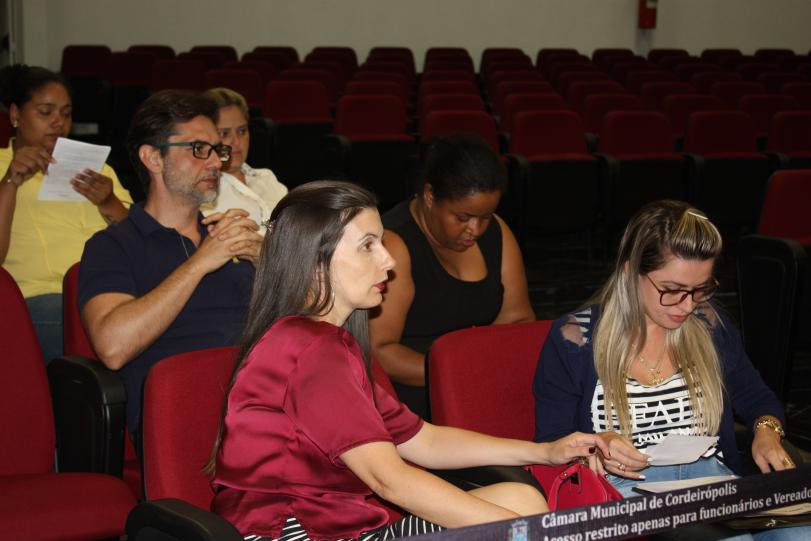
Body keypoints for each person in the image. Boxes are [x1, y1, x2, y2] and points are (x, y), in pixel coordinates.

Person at [209, 180, 607, 541]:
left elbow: (423, 440)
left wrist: (544, 452)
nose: (388, 260)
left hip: (334, 527)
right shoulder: (312, 350)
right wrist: (524, 534)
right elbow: (390, 481)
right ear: (314, 260)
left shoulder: (319, 343)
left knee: (521, 499)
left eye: (381, 242)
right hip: (294, 533)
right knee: (519, 516)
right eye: (368, 245)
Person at [533, 200, 809, 541]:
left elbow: (757, 398)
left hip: (712, 480)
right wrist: (598, 445)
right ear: (630, 272)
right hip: (626, 491)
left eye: (700, 289)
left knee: (801, 533)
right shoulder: (575, 339)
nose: (688, 305)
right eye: (672, 290)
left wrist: (767, 433)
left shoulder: (709, 325)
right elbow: (551, 441)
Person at [78, 89, 262, 452]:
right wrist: (199, 264)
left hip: (259, 404)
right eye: (199, 149)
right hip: (184, 418)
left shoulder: (229, 237)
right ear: (153, 158)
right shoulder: (114, 245)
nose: (216, 162)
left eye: (218, 149)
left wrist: (269, 264)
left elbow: (308, 324)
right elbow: (113, 346)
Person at [370, 133, 535, 418]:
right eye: (463, 218)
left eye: (485, 216)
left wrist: (487, 368)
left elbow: (518, 318)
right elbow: (379, 351)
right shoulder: (395, 245)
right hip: (413, 399)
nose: (476, 229)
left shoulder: (496, 231)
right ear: (430, 196)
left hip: (476, 380)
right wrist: (459, 372)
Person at [0, 64, 131, 363]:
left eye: (66, 113)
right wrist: (10, 182)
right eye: (45, 112)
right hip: (40, 298)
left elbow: (139, 244)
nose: (58, 122)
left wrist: (108, 201)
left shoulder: (97, 168)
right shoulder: (1, 165)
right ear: (16, 114)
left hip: (108, 291)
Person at [201, 87, 287, 227]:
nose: (236, 141)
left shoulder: (266, 177)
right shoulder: (204, 191)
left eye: (242, 131)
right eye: (224, 133)